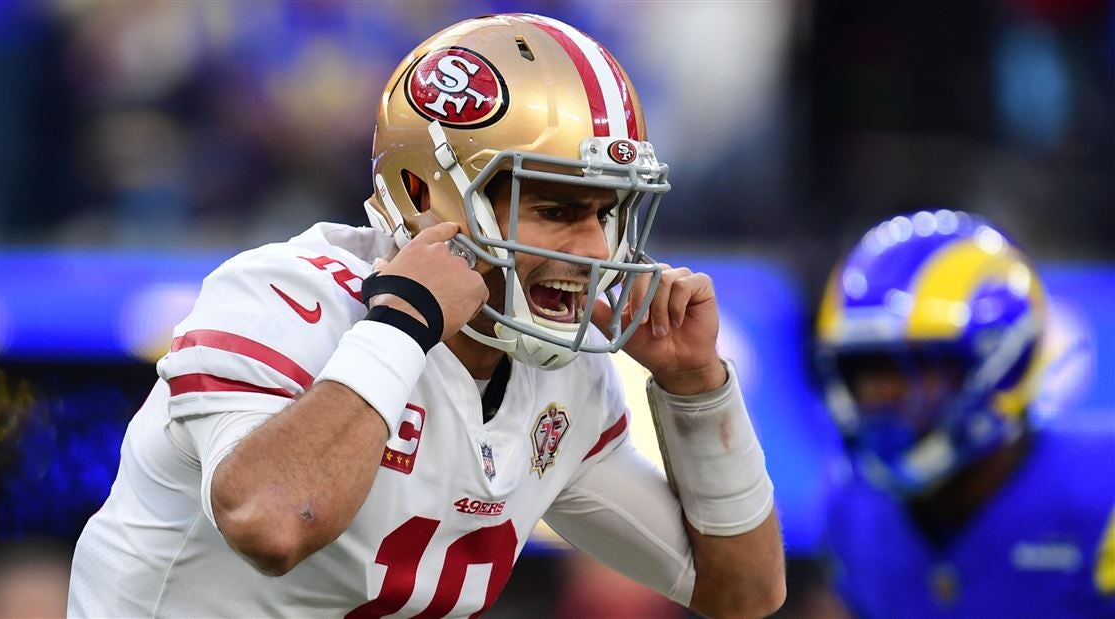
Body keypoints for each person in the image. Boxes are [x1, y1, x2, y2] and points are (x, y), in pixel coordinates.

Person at [68, 13, 785, 618]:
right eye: (556, 209)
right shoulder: (284, 297)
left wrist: (698, 388)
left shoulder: (558, 375)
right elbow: (271, 520)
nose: (595, 248)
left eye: (605, 212)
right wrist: (400, 328)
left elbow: (745, 593)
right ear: (425, 193)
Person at [814, 210, 1115, 618]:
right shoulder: (855, 503)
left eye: (918, 367)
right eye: (866, 371)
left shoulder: (1102, 493)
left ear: (1005, 367)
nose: (882, 396)